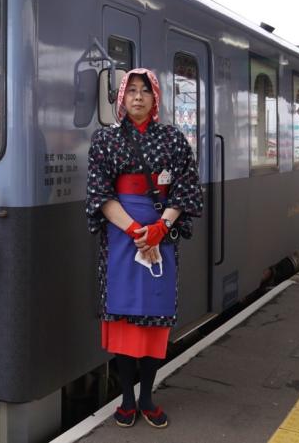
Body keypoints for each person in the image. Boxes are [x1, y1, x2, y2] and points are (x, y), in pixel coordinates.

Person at [85, 68, 203, 428]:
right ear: (121, 98)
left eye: (145, 91)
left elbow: (185, 189)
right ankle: (126, 400)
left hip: (160, 233)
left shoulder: (173, 139)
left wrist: (160, 228)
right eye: (131, 91)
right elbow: (99, 194)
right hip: (122, 236)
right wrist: (138, 229)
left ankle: (147, 397)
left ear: (155, 99)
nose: (138, 97)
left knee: (156, 314)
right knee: (122, 315)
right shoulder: (105, 140)